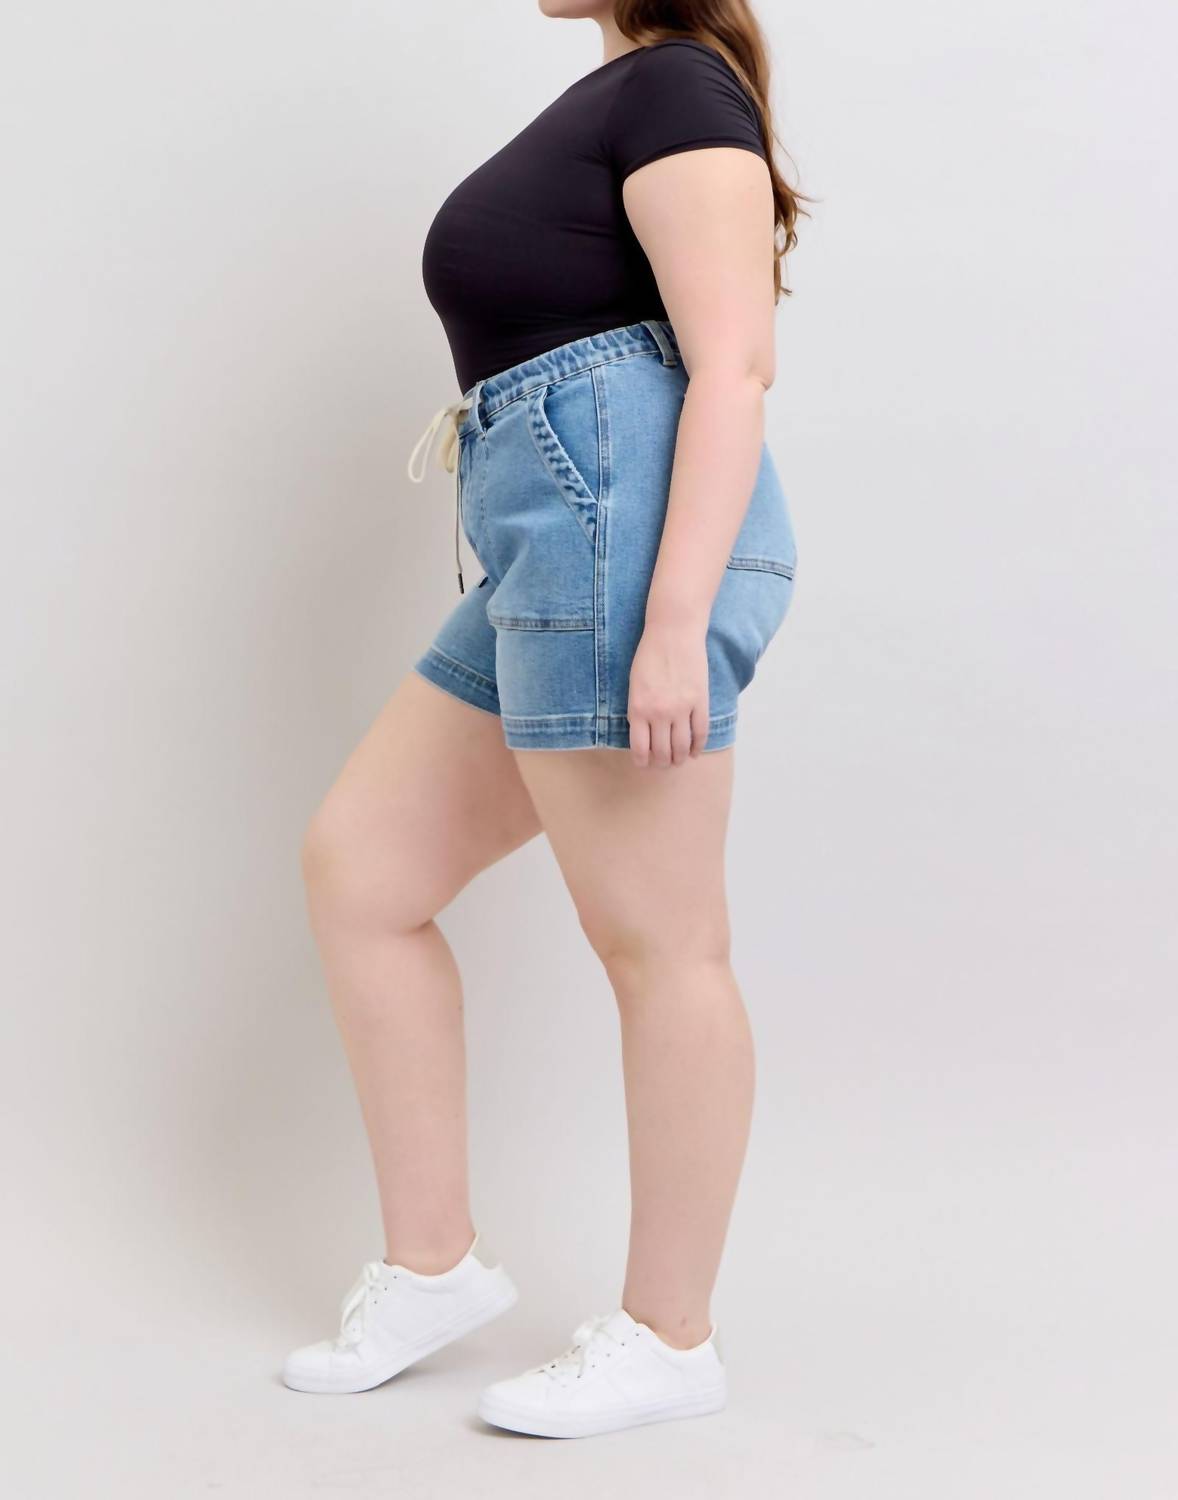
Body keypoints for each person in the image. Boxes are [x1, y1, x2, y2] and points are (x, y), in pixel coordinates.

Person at [283, 0, 805, 1440]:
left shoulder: (681, 91)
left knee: (661, 943)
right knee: (362, 871)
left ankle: (670, 1337)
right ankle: (434, 1266)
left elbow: (733, 366)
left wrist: (673, 620)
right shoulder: (629, 94)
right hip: (551, 530)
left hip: (620, 543)